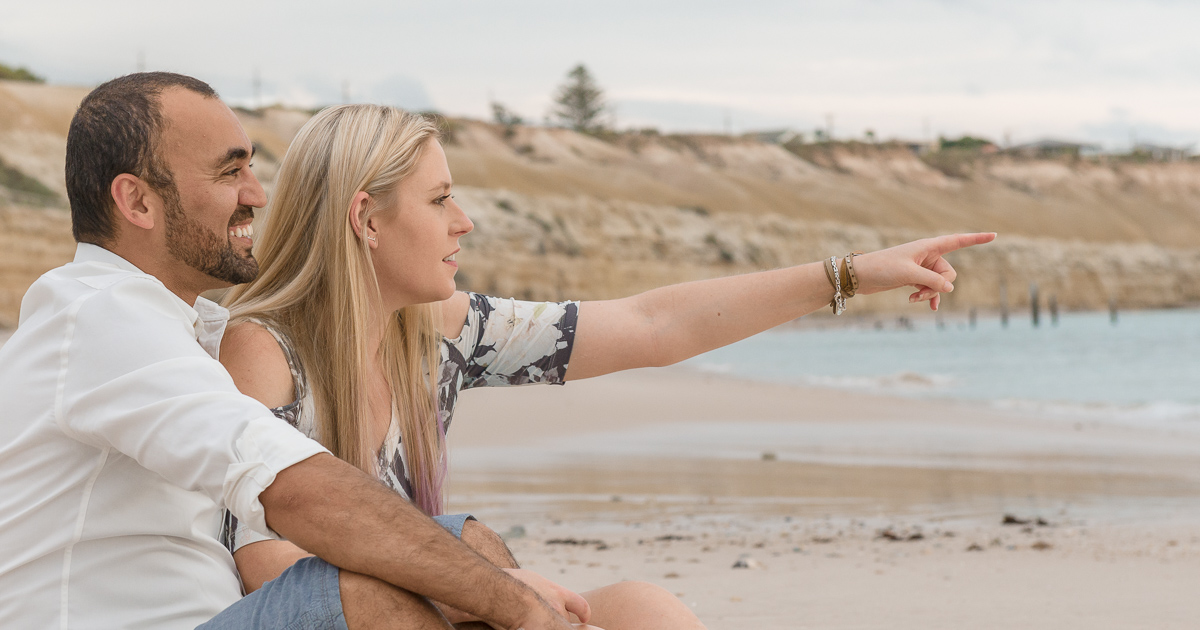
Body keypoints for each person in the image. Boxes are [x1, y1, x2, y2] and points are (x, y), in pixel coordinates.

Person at [215, 104, 996, 626]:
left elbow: (651, 324)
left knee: (642, 610)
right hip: (335, 614)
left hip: (429, 604)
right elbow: (266, 560)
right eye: (440, 199)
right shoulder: (266, 347)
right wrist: (487, 594)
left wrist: (850, 274)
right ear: (366, 219)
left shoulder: (436, 333)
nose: (466, 221)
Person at [0, 72, 597, 630]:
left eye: (253, 169)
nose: (258, 195)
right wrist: (521, 608)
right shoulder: (102, 317)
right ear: (137, 202)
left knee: (463, 547)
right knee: (371, 593)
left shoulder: (178, 325)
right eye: (229, 172)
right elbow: (293, 487)